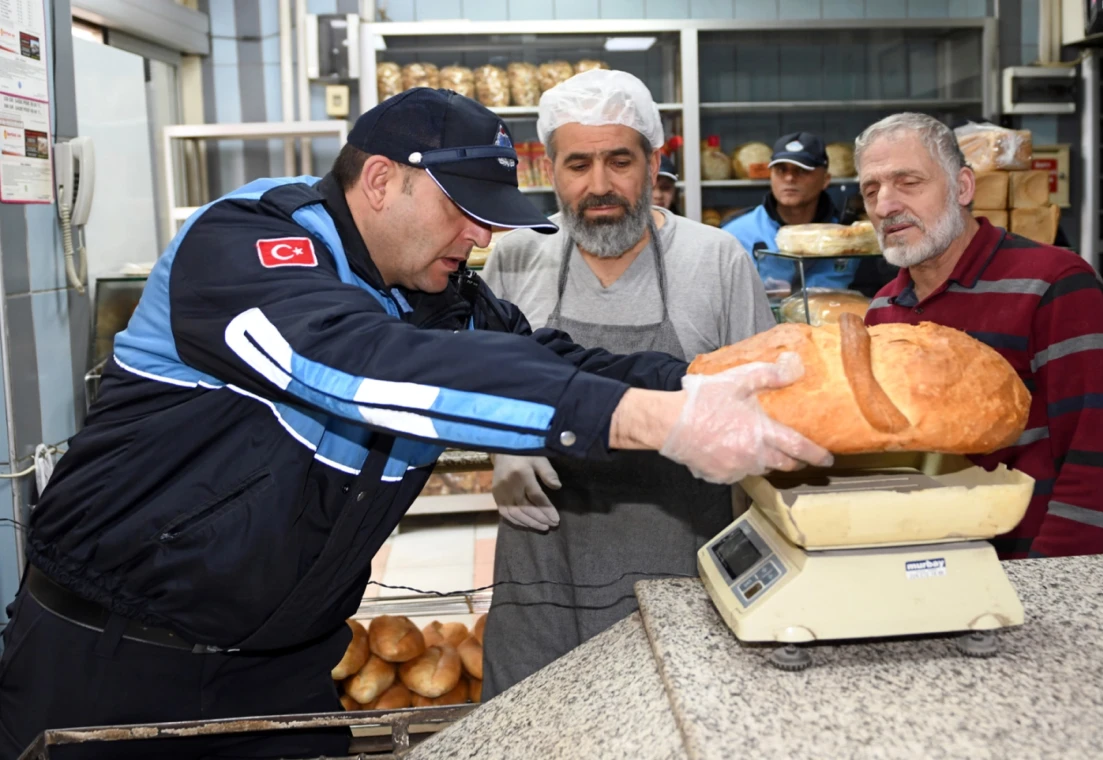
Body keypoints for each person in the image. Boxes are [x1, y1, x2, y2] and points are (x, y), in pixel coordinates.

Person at [0, 89, 831, 760]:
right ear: (379, 182)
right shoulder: (247, 246)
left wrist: (722, 385)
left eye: (494, 215)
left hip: (282, 670)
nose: (482, 237)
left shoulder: (440, 299)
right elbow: (357, 363)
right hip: (108, 663)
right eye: (463, 210)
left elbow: (558, 362)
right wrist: (651, 421)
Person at [478, 70, 777, 700]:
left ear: (653, 161)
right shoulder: (514, 257)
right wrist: (502, 444)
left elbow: (766, 411)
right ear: (549, 170)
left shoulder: (716, 259)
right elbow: (481, 378)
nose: (599, 185)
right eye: (577, 164)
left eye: (619, 160)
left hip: (684, 558)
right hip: (543, 563)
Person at [855, 113, 1103, 559]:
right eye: (872, 190)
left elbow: (1096, 457)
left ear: (963, 187)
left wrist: (1052, 582)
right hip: (926, 566)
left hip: (1030, 568)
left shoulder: (1054, 283)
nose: (886, 205)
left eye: (908, 182)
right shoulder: (883, 309)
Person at [722, 131, 859, 292]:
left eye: (802, 171)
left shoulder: (848, 237)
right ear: (770, 176)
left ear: (825, 180)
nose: (789, 178)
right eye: (781, 170)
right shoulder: (736, 234)